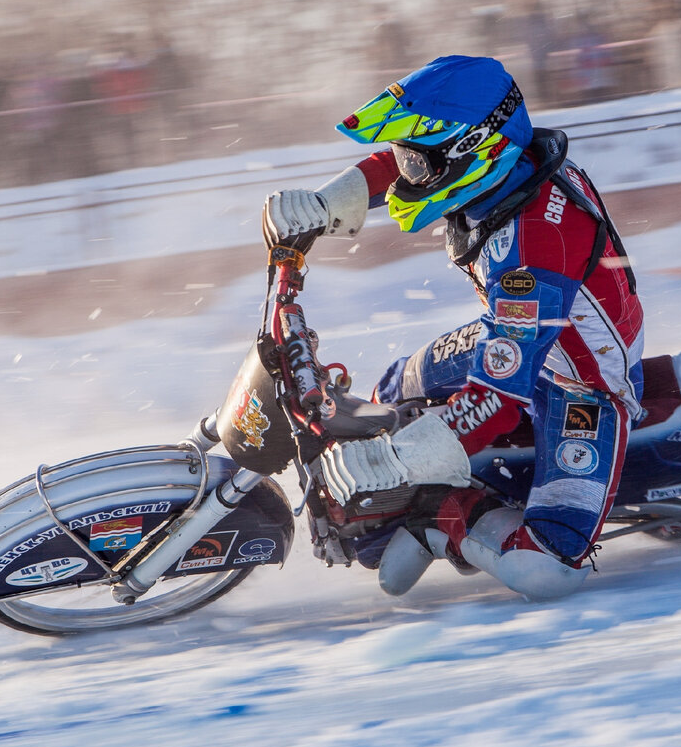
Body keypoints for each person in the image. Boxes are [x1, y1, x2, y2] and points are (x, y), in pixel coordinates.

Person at [262, 56, 644, 600]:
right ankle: (424, 471)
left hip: (581, 384)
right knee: (391, 392)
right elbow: (411, 157)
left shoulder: (531, 258)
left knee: (549, 568)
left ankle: (440, 517)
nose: (405, 172)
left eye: (419, 164)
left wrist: (396, 465)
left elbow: (498, 398)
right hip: (522, 335)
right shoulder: (508, 169)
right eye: (409, 159)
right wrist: (325, 204)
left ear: (477, 152)